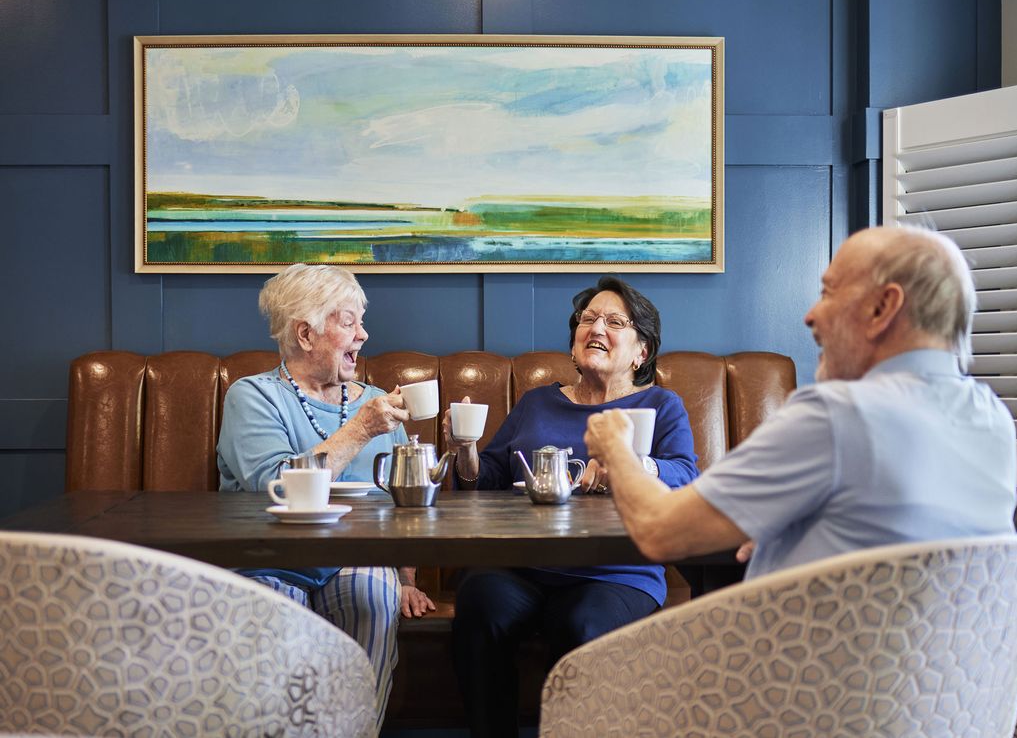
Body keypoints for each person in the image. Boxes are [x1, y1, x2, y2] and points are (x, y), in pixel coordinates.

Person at [585, 225, 1017, 581]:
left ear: (883, 307)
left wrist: (616, 449)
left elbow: (660, 533)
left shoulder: (836, 414)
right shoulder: (992, 420)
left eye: (829, 293)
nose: (811, 314)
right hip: (937, 683)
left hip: (796, 681)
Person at [444, 275, 700, 738]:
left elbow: (686, 475)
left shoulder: (661, 405)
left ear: (642, 351)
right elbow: (488, 481)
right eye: (588, 319)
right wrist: (465, 449)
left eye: (615, 321)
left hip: (617, 572)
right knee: (479, 602)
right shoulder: (538, 403)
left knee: (581, 625)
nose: (596, 327)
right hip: (522, 566)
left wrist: (630, 463)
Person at [216, 263, 436, 734]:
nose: (364, 333)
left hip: (356, 557)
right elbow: (274, 484)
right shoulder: (252, 396)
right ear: (306, 333)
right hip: (267, 557)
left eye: (361, 320)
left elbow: (403, 498)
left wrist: (407, 576)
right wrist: (360, 429)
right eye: (349, 321)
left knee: (375, 599)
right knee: (270, 628)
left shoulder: (377, 401)